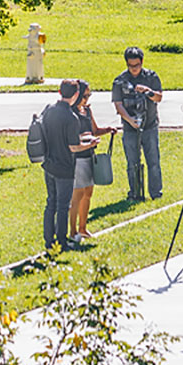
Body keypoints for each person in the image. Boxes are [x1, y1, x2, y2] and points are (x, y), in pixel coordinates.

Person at [112, 47, 164, 201]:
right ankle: (135, 193)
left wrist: (148, 91)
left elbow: (159, 97)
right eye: (130, 66)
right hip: (129, 128)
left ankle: (156, 193)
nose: (134, 69)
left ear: (142, 62)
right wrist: (130, 120)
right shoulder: (120, 81)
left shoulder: (151, 77)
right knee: (132, 163)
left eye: (136, 65)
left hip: (150, 125)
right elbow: (118, 104)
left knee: (153, 161)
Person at [40, 79, 85, 252]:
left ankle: (48, 241)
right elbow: (73, 146)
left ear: (59, 92)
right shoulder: (71, 118)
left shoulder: (49, 110)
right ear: (75, 95)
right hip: (65, 167)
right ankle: (61, 242)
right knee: (62, 206)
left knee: (50, 203)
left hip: (49, 163)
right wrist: (90, 143)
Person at [68, 80, 109, 243]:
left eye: (89, 95)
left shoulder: (87, 111)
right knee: (77, 195)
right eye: (85, 96)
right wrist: (83, 139)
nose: (87, 99)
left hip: (90, 155)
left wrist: (107, 131)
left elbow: (95, 130)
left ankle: (83, 227)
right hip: (77, 158)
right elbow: (69, 139)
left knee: (88, 193)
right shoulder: (70, 114)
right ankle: (72, 231)